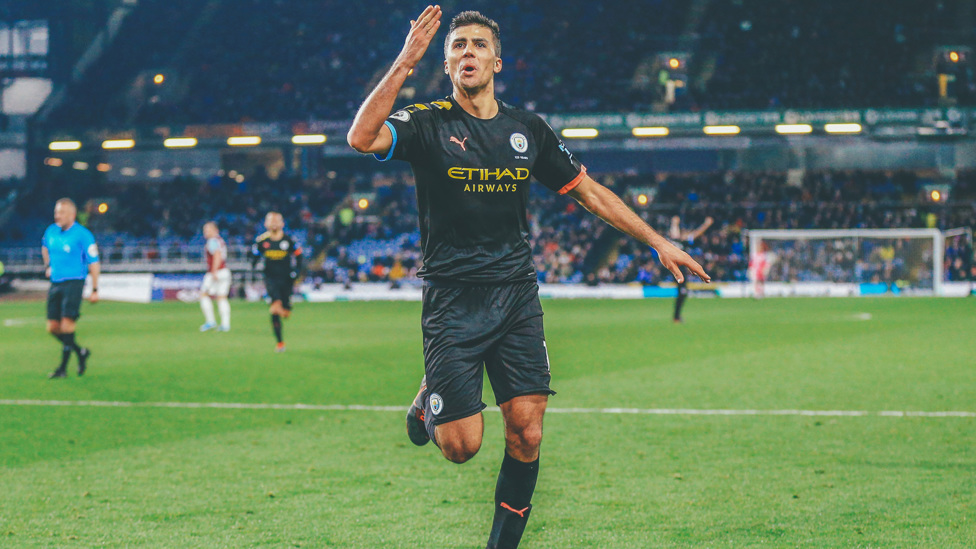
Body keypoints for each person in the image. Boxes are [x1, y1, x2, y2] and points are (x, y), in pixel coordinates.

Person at [346, 7, 709, 548]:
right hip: (452, 300)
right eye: (457, 46)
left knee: (528, 430)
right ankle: (431, 397)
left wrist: (658, 241)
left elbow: (590, 192)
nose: (467, 52)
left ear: (497, 59)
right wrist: (404, 61)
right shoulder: (427, 122)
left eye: (477, 45)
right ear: (445, 62)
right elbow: (361, 137)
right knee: (460, 447)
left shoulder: (527, 131)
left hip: (515, 294)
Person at [41, 198, 99, 378]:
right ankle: (81, 352)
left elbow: (94, 262)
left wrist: (95, 289)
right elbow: (44, 247)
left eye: (62, 212)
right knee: (52, 327)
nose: (57, 215)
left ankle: (62, 369)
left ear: (72, 215)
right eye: (56, 212)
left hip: (74, 282)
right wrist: (47, 266)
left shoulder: (83, 235)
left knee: (67, 325)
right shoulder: (51, 231)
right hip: (56, 283)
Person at [250, 211, 303, 352]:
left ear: (282, 223)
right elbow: (254, 257)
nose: (273, 223)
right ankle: (280, 343)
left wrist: (296, 271)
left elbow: (299, 256)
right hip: (270, 278)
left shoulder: (289, 240)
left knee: (285, 312)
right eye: (270, 221)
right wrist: (254, 263)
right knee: (274, 308)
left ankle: (284, 309)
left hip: (286, 279)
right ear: (266, 224)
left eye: (276, 221)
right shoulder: (262, 241)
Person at [668, 215, 713, 322]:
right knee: (683, 292)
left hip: (681, 270)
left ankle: (677, 316)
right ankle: (676, 317)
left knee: (683, 292)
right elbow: (675, 233)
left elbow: (697, 233)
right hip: (674, 269)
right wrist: (674, 223)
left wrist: (706, 225)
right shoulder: (675, 240)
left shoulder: (684, 242)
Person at [199, 221, 231, 332]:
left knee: (203, 294)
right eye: (204, 230)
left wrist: (214, 271)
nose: (205, 232)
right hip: (225, 271)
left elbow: (217, 255)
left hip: (216, 271)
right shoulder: (220, 240)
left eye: (208, 230)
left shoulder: (212, 241)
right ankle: (225, 325)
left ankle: (210, 321)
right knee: (222, 297)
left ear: (215, 230)